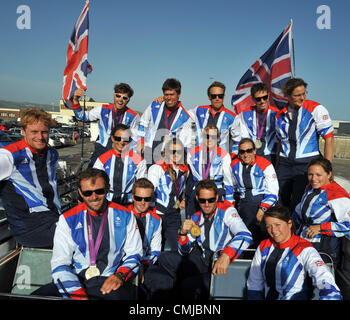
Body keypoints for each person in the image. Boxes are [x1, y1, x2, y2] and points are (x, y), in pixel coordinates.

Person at [36, 168, 143, 300]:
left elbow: (135, 254)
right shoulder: (67, 219)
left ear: (108, 188)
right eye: (87, 193)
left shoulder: (125, 215)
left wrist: (120, 275)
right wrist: (77, 294)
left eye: (99, 191)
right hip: (75, 280)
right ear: (80, 192)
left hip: (108, 280)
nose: (94, 197)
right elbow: (60, 263)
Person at [143, 179, 252, 300]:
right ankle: (168, 292)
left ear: (216, 198)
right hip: (204, 260)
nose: (207, 204)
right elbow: (184, 251)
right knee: (164, 258)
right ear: (197, 199)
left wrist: (226, 255)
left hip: (222, 263)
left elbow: (245, 235)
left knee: (187, 285)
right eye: (202, 200)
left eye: (210, 200)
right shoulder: (195, 217)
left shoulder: (227, 211)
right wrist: (183, 233)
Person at [247, 205, 342, 300]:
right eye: (269, 226)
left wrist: (330, 295)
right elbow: (254, 284)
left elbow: (323, 277)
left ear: (289, 223)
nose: (273, 231)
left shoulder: (304, 248)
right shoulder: (264, 246)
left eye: (277, 225)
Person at [0, 108, 61, 248]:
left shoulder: (52, 154)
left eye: (44, 132)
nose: (40, 137)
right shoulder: (9, 155)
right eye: (34, 132)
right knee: (81, 238)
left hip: (54, 218)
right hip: (31, 227)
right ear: (23, 131)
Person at [275, 78, 334, 212]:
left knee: (298, 202)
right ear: (288, 96)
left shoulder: (316, 109)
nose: (302, 98)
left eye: (304, 93)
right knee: (279, 200)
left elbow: (329, 139)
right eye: (297, 95)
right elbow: (280, 141)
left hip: (306, 164)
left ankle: (297, 230)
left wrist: (327, 168)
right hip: (284, 165)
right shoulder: (279, 115)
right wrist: (278, 164)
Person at [292, 157, 350, 268]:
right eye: (310, 174)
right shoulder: (310, 187)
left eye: (318, 175)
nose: (314, 179)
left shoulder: (337, 194)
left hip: (324, 247)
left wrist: (321, 227)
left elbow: (348, 225)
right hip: (303, 241)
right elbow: (300, 210)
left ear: (329, 174)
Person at [72, 83, 140, 166]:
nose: (120, 100)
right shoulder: (102, 109)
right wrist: (75, 100)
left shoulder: (133, 116)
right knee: (92, 175)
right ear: (114, 96)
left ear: (128, 100)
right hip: (102, 148)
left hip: (120, 151)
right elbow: (82, 117)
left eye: (124, 98)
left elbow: (135, 138)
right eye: (118, 96)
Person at [230, 138, 279, 247]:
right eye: (242, 152)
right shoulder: (233, 165)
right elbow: (231, 188)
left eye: (249, 150)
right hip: (244, 203)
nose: (246, 154)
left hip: (263, 201)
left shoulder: (265, 164)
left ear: (254, 151)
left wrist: (262, 209)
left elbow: (273, 192)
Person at [137, 78, 191, 166]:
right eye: (166, 94)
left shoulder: (185, 117)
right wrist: (141, 141)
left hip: (166, 158)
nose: (169, 98)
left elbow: (185, 142)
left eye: (172, 94)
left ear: (178, 95)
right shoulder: (155, 105)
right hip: (147, 153)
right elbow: (142, 123)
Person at [148, 138, 189, 251]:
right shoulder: (157, 168)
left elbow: (185, 190)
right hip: (158, 213)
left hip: (174, 214)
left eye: (179, 151)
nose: (176, 154)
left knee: (175, 248)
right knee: (155, 247)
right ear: (166, 152)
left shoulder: (185, 169)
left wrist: (183, 200)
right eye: (172, 151)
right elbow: (150, 192)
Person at [186, 124, 234, 216]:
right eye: (207, 136)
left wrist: (229, 200)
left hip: (216, 190)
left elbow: (228, 180)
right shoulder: (192, 153)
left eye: (213, 137)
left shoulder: (224, 155)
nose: (210, 139)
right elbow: (189, 177)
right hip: (197, 190)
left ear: (218, 138)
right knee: (194, 223)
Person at [93, 124, 147, 205]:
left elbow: (142, 185)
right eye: (118, 139)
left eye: (125, 139)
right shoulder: (102, 159)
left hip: (129, 204)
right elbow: (95, 183)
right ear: (112, 138)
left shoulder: (139, 160)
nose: (121, 142)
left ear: (129, 140)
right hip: (107, 203)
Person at [126, 178, 162, 298]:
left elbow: (156, 251)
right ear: (132, 197)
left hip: (145, 263)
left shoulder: (156, 219)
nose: (142, 202)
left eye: (147, 199)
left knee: (164, 281)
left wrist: (143, 264)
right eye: (138, 198)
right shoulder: (121, 214)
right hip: (123, 264)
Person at [180, 81, 237, 152]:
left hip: (220, 159)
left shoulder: (232, 117)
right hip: (200, 157)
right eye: (214, 96)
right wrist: (164, 104)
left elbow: (238, 139)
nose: (217, 98)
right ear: (209, 97)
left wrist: (233, 156)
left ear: (224, 96)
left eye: (220, 96)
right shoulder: (199, 110)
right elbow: (181, 116)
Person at [232, 82, 279, 163]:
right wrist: (235, 156)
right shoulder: (244, 115)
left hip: (270, 156)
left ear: (268, 96)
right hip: (250, 156)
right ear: (253, 99)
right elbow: (239, 137)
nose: (262, 101)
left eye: (265, 97)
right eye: (258, 99)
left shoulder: (276, 114)